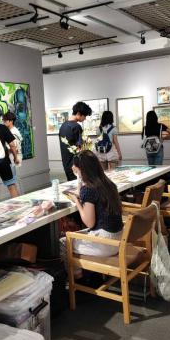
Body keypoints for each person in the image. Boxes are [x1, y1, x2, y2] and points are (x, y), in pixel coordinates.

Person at [61, 151, 124, 279]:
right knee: (75, 235)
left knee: (63, 242)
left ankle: (77, 279)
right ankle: (87, 275)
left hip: (105, 244)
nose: (74, 169)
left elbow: (89, 223)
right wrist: (79, 179)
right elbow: (84, 193)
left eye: (76, 168)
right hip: (119, 239)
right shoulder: (108, 184)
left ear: (82, 170)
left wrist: (77, 201)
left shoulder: (89, 190)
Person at [59, 101, 92, 181]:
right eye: (84, 116)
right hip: (76, 164)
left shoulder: (63, 126)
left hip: (66, 163)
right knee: (81, 185)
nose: (85, 118)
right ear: (78, 113)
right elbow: (81, 148)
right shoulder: (76, 127)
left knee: (71, 185)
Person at [2, 111, 24, 194]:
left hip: (14, 157)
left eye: (5, 120)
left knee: (15, 179)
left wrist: (6, 151)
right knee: (15, 179)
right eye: (3, 120)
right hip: (13, 157)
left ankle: (20, 197)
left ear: (11, 121)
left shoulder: (13, 132)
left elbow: (15, 148)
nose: (3, 122)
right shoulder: (10, 131)